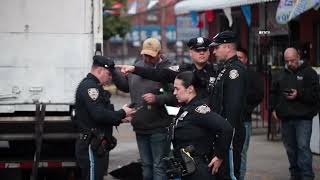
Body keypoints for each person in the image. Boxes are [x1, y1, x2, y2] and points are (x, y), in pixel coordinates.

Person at [112, 37, 175, 180]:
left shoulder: (168, 70)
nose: (147, 58)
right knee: (146, 166)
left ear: (159, 53)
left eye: (151, 56)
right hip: (140, 126)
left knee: (159, 166)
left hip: (159, 126)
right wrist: (114, 73)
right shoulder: (137, 66)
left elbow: (176, 96)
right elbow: (126, 87)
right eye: (145, 54)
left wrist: (157, 98)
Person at [73, 55, 136, 180]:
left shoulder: (94, 86)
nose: (110, 78)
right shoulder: (90, 88)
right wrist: (122, 113)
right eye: (108, 74)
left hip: (97, 143)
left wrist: (120, 118)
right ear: (99, 70)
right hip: (91, 143)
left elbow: (100, 113)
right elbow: (98, 114)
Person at [115, 37, 217, 106]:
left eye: (204, 50)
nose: (201, 53)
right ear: (190, 53)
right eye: (198, 50)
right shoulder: (182, 70)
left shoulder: (218, 71)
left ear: (209, 52)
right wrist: (134, 69)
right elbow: (158, 74)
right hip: (191, 120)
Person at [171, 71, 233, 180]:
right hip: (187, 167)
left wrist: (219, 156)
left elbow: (226, 128)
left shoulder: (198, 110)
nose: (174, 93)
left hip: (199, 170)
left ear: (190, 89)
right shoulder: (185, 108)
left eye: (177, 89)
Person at [271, 47, 319, 180]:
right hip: (286, 117)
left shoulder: (309, 73)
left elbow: (316, 96)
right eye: (287, 61)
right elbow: (273, 93)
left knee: (303, 147)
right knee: (290, 149)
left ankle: (307, 176)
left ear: (298, 56)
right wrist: (274, 109)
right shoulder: (280, 74)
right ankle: (295, 175)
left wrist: (299, 94)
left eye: (292, 60)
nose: (290, 63)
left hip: (304, 117)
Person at [210, 31, 247, 180]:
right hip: (222, 130)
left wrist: (225, 135)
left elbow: (232, 107)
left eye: (216, 47)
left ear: (227, 47)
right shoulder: (225, 68)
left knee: (230, 174)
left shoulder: (234, 71)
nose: (213, 51)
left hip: (229, 132)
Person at [236, 48, 264, 180]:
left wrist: (245, 106)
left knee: (241, 153)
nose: (238, 60)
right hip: (227, 121)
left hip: (244, 120)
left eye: (240, 57)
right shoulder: (228, 73)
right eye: (236, 57)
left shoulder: (252, 75)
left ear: (246, 59)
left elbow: (259, 94)